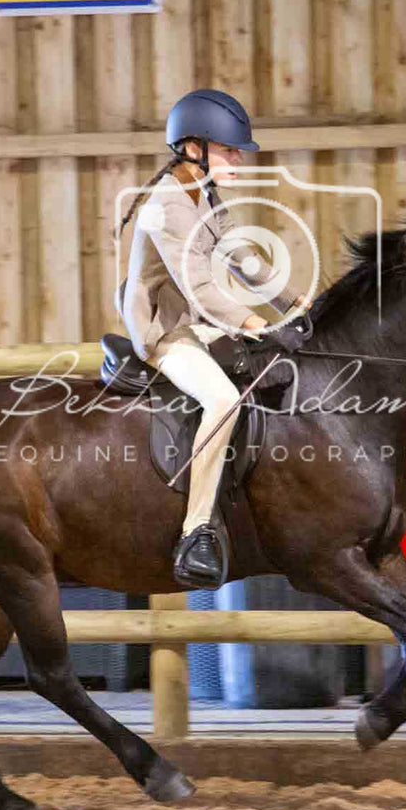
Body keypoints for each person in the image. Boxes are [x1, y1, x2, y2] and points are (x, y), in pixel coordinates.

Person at [115, 89, 307, 590]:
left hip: (198, 321)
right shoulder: (163, 207)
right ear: (194, 147)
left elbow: (240, 256)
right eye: (229, 149)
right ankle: (196, 529)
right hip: (165, 330)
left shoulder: (205, 193)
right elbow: (196, 285)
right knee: (223, 400)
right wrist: (251, 323)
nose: (238, 157)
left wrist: (294, 303)